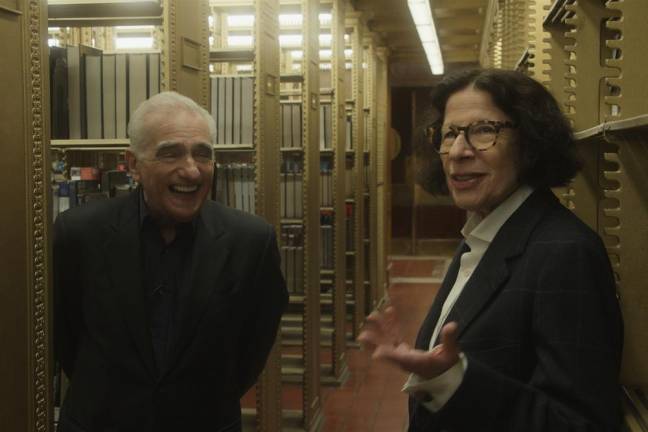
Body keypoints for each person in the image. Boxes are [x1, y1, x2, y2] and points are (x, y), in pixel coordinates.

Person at [358, 69, 623, 431]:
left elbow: (583, 423)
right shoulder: (484, 233)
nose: (458, 151)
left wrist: (453, 383)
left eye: (483, 131)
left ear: (530, 141)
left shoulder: (565, 253)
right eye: (449, 133)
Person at [54, 91, 288, 432]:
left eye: (202, 155)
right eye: (171, 154)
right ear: (133, 164)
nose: (191, 171)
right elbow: (66, 334)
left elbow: (253, 347)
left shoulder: (251, 241)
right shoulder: (79, 234)